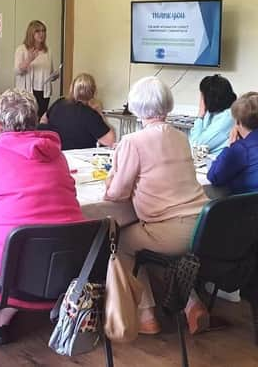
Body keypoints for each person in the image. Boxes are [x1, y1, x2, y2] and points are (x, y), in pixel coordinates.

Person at [0, 88, 84, 344]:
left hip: (8, 275)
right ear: (36, 120)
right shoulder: (58, 157)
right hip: (65, 269)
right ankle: (5, 313)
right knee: (25, 249)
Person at [104, 76, 210, 335]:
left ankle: (145, 314)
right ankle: (193, 304)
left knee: (120, 241)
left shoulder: (133, 142)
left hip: (168, 231)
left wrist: (111, 176)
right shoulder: (180, 137)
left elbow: (117, 194)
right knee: (150, 245)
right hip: (203, 227)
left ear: (137, 106)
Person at [40, 73, 115, 150]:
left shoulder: (59, 103)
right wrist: (99, 112)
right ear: (93, 91)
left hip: (54, 153)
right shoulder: (90, 114)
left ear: (72, 88)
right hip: (78, 157)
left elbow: (43, 120)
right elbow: (110, 141)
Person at [207, 92, 258, 194]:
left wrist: (230, 146)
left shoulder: (240, 150)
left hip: (248, 207)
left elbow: (214, 177)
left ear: (238, 122)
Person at [14, 20, 59, 118]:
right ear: (31, 33)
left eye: (43, 31)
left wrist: (54, 76)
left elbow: (50, 72)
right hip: (28, 91)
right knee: (28, 118)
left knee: (41, 118)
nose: (41, 34)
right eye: (38, 31)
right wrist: (29, 60)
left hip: (43, 91)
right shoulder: (21, 49)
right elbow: (17, 71)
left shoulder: (48, 51)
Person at [189, 74, 237, 156]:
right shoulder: (212, 111)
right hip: (204, 161)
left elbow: (196, 148)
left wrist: (200, 116)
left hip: (214, 163)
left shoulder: (227, 118)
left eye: (202, 95)